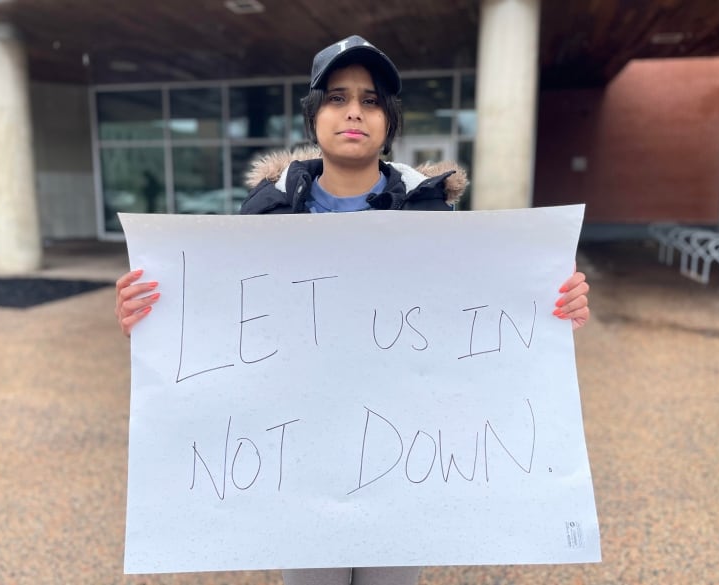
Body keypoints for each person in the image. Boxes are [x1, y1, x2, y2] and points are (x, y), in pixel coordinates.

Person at [115, 35, 590, 585]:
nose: (353, 113)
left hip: (405, 458)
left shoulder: (430, 211)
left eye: (370, 101)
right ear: (314, 116)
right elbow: (220, 321)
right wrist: (148, 320)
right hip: (295, 459)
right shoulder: (265, 215)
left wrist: (556, 306)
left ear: (389, 120)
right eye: (337, 98)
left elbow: (478, 317)